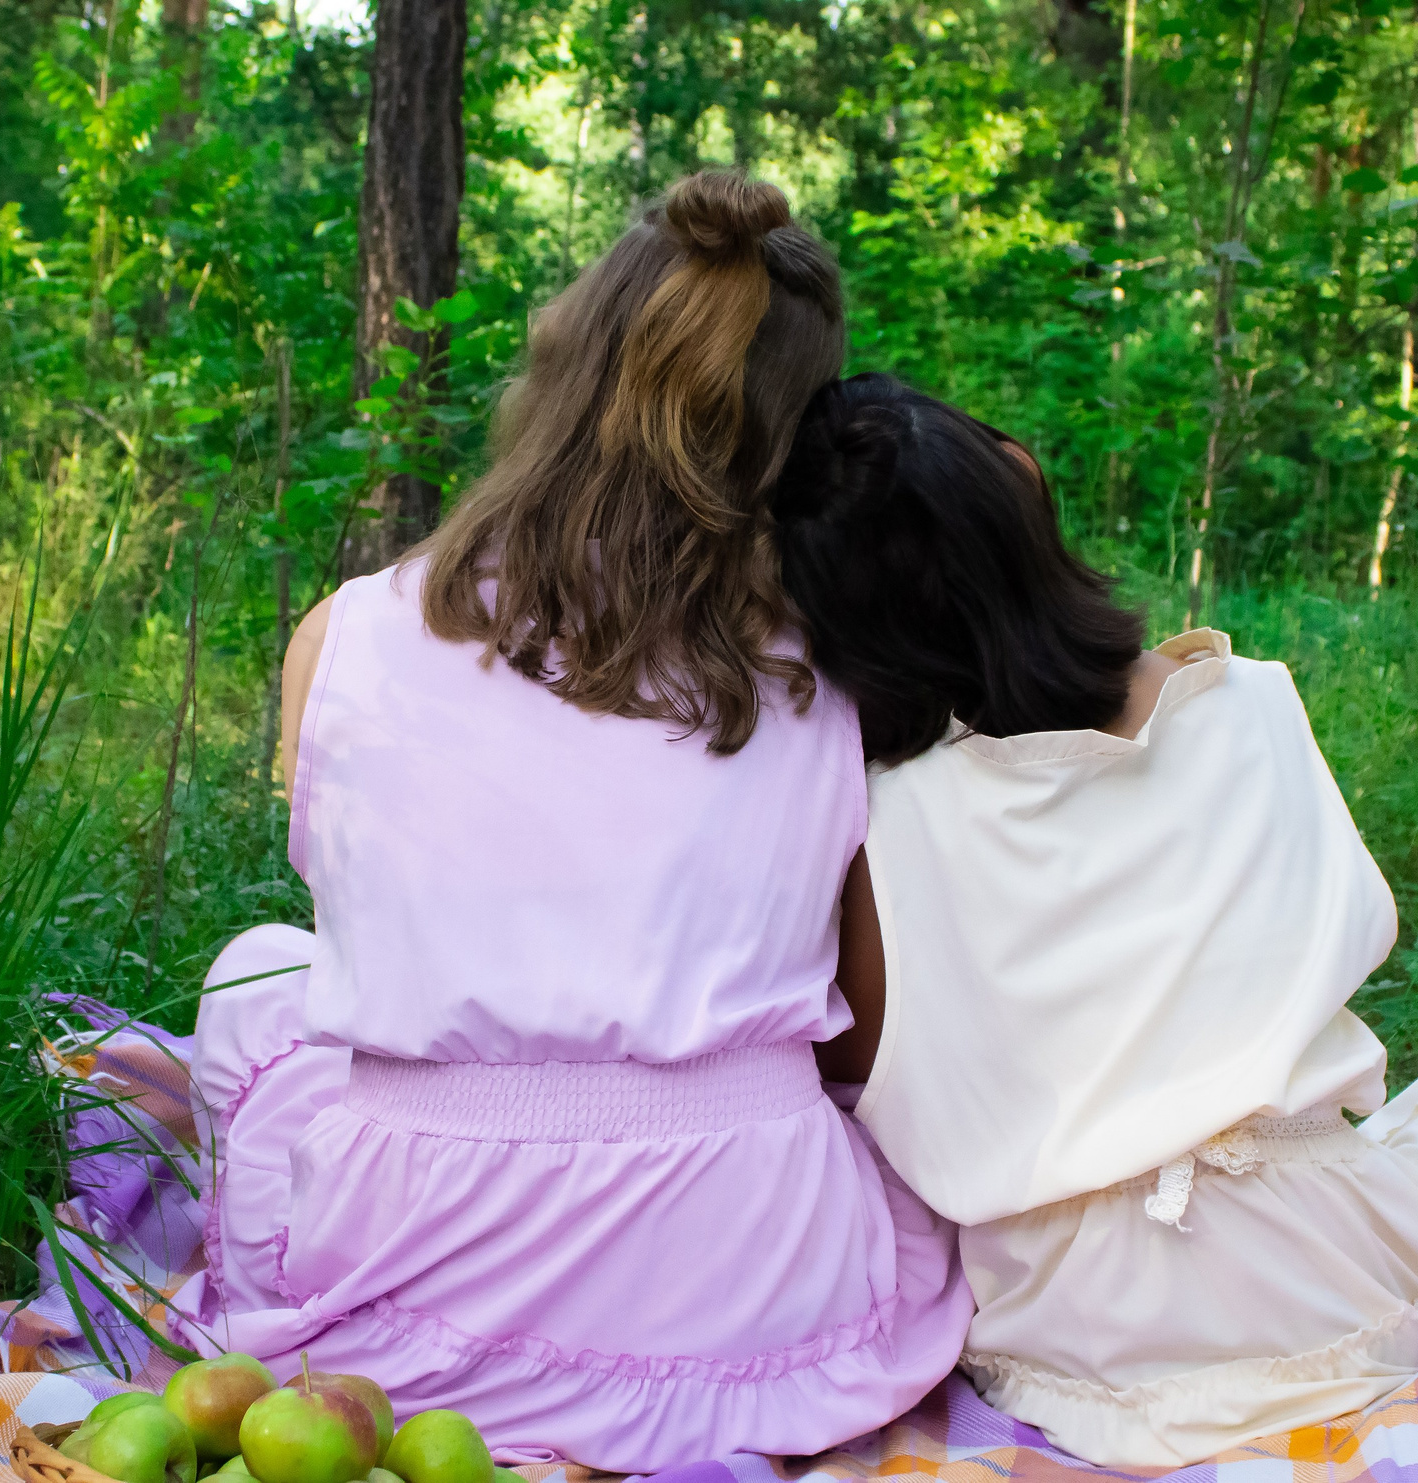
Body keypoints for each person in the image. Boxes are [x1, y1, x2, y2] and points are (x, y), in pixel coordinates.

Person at [173, 179, 971, 1471]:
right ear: (795, 430)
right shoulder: (833, 674)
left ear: (564, 362)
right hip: (751, 1285)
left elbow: (361, 921)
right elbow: (864, 1031)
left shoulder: (350, 635)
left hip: (411, 1287)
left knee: (259, 974)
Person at [769, 373, 1418, 1469]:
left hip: (1079, 1333)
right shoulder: (1249, 704)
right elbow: (1334, 939)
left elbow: (861, 1072)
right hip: (1333, 1258)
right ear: (1017, 507)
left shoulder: (882, 826)